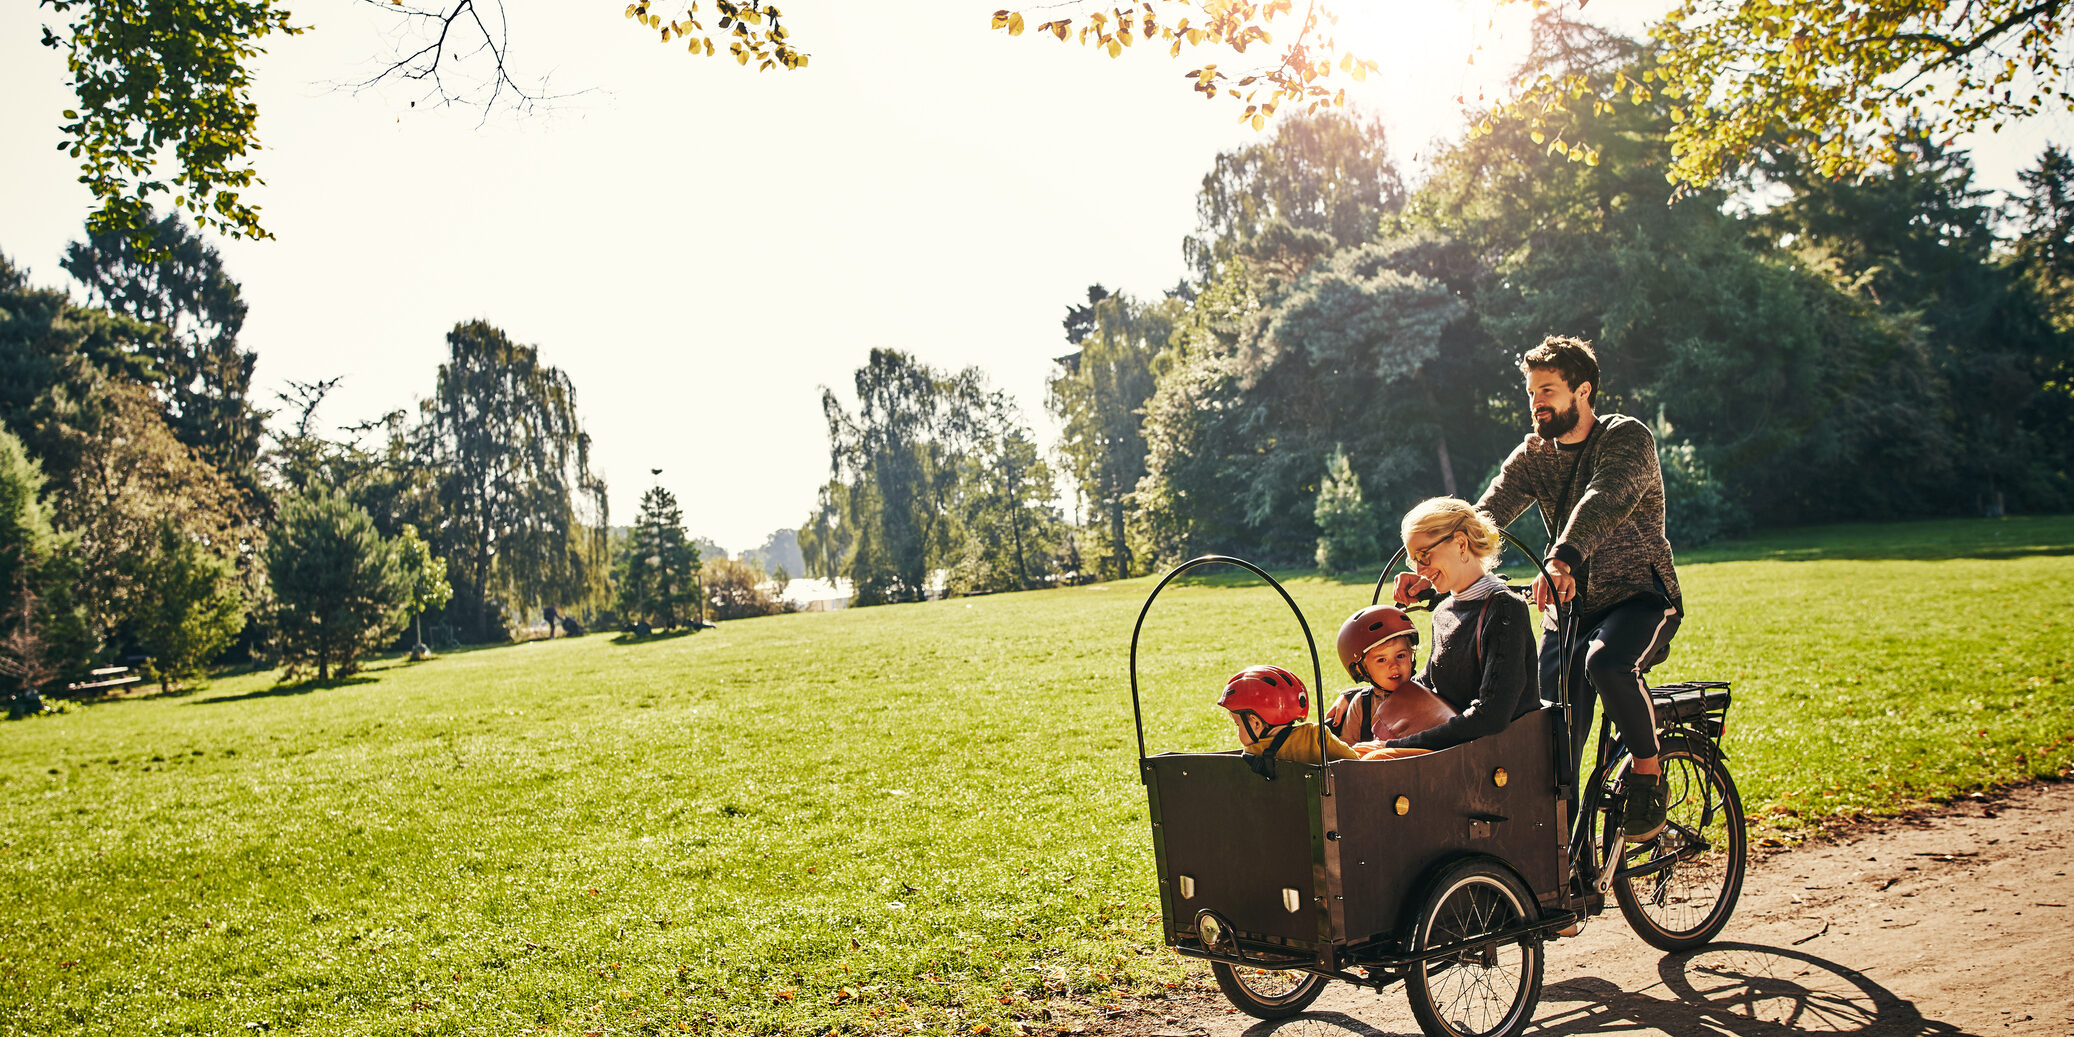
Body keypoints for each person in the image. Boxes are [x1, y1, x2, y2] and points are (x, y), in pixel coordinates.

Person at [1401, 336, 1681, 841]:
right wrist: (1429, 563)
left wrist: (1561, 559)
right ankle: (1559, 862)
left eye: (1547, 390)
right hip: (1569, 612)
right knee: (1548, 738)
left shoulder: (1625, 438)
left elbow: (1604, 498)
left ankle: (1647, 773)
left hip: (1639, 598)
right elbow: (1481, 519)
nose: (1536, 403)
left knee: (1606, 664)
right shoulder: (1534, 454)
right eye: (1531, 393)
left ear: (1583, 391)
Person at [1378, 498, 1541, 756]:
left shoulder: (1505, 610)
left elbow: (1491, 716)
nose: (1420, 570)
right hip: (1460, 754)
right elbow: (1428, 685)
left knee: (1373, 758)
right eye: (1413, 561)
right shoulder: (1444, 611)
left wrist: (1394, 747)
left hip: (1500, 761)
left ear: (1461, 544)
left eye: (1424, 555)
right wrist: (1359, 700)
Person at [1218, 665, 1427, 774]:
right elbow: (1352, 763)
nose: (1238, 731)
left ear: (1256, 723)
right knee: (1373, 755)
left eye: (1238, 724)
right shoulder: (1315, 737)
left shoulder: (1252, 757)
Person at [1326, 604, 1458, 747]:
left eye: (1400, 656)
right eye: (1381, 660)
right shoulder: (1361, 705)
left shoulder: (1424, 696)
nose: (1394, 666)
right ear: (1362, 669)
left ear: (1411, 657)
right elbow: (1348, 749)